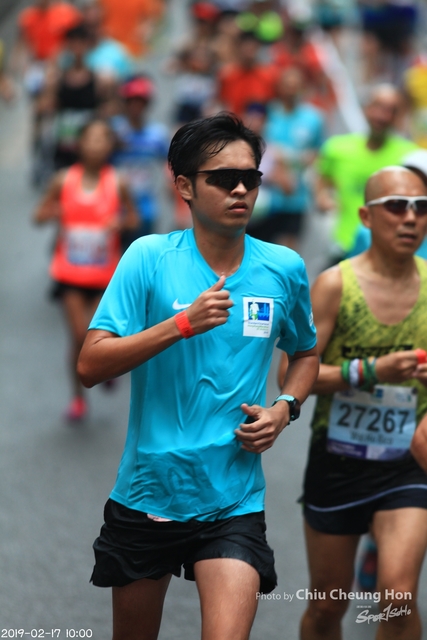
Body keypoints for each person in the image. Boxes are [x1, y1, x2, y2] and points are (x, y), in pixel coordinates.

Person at [77, 113, 319, 640]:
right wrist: (181, 324)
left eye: (250, 178)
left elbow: (305, 353)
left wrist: (284, 409)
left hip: (234, 500)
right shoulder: (149, 258)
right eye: (224, 178)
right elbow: (91, 364)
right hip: (149, 494)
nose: (240, 189)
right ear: (184, 186)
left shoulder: (283, 268)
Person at [282, 166, 427, 640]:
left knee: (399, 598)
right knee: (328, 606)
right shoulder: (334, 285)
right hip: (339, 458)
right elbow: (291, 376)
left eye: (421, 208)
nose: (411, 218)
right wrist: (370, 371)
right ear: (366, 216)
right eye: (397, 207)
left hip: (409, 461)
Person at [34, 119, 138, 421]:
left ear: (110, 146)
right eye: (90, 139)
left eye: (102, 139)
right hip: (69, 273)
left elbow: (134, 218)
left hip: (105, 275)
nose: (95, 145)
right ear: (79, 144)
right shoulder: (63, 180)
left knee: (103, 336)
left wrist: (121, 222)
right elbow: (38, 216)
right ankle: (78, 398)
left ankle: (104, 368)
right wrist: (52, 211)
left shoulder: (118, 181)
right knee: (79, 335)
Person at [315, 84, 418, 264]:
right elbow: (322, 178)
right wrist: (322, 197)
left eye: (391, 110)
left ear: (398, 117)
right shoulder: (336, 148)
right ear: (365, 109)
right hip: (344, 245)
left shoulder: (410, 156)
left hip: (389, 250)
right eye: (378, 107)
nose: (382, 116)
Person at [110, 76, 169, 248]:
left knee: (143, 253)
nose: (136, 106)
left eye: (141, 101)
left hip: (146, 205)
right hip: (115, 206)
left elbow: (170, 163)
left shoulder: (157, 134)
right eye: (131, 101)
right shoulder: (113, 130)